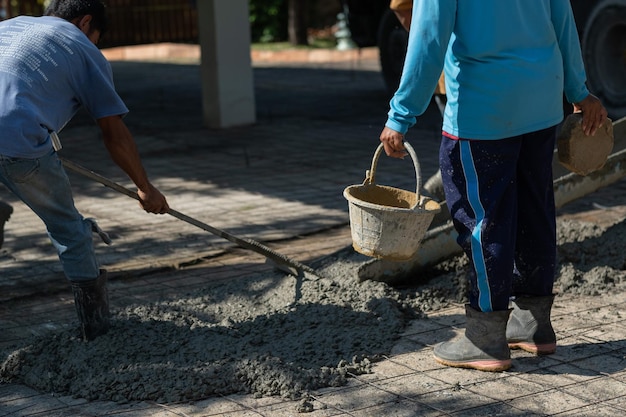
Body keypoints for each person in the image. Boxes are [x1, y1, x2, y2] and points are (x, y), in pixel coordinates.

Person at [380, 0, 607, 371]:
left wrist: (400, 114)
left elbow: (427, 41)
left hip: (482, 112)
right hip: (541, 104)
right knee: (535, 212)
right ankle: (534, 324)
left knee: (482, 223)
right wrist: (579, 91)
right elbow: (563, 22)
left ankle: (485, 337)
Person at [0, 0, 170, 341]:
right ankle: (97, 334)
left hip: (13, 136)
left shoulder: (10, 26)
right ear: (86, 22)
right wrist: (144, 188)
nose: (95, 44)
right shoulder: (81, 47)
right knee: (69, 230)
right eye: (97, 37)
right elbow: (113, 131)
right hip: (16, 143)